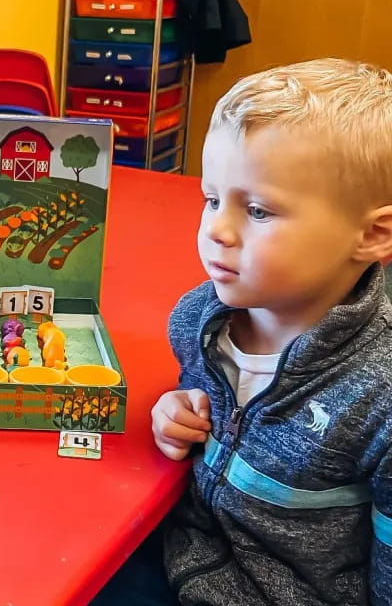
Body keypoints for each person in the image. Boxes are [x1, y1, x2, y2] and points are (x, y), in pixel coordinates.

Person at [95, 58, 392, 605]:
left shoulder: (381, 399)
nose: (216, 231)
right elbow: (220, 419)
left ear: (374, 234)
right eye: (211, 200)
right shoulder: (198, 320)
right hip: (179, 556)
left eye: (257, 210)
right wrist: (176, 410)